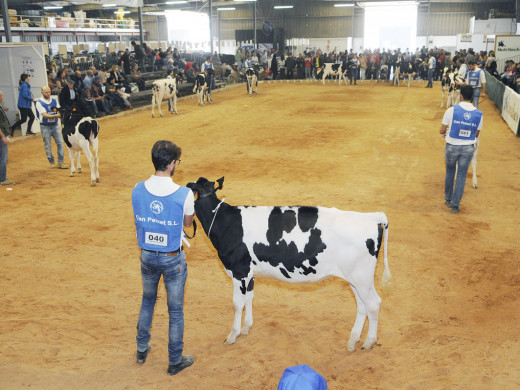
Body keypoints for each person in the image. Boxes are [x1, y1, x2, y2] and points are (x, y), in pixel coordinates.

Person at [132, 140, 195, 376]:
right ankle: (175, 360)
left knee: (147, 301)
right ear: (170, 164)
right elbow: (187, 223)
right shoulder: (184, 193)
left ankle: (141, 348)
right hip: (172, 258)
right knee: (175, 310)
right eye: (176, 161)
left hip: (146, 256)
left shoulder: (137, 188)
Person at [439, 85, 483, 214]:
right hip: (468, 148)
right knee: (462, 176)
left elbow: (442, 130)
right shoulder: (479, 113)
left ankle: (448, 198)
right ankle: (455, 205)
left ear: (461, 96)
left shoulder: (451, 110)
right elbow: (476, 134)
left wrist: (446, 133)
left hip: (452, 147)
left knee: (450, 172)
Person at [35, 86, 68, 169]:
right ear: (42, 92)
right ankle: (51, 161)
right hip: (45, 126)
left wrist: (60, 113)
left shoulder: (54, 100)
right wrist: (57, 115)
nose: (48, 94)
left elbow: (59, 109)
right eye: (46, 92)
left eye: (49, 92)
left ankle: (61, 162)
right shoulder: (39, 102)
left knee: (60, 143)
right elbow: (45, 115)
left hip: (55, 125)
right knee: (48, 145)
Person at [0, 90, 15, 186]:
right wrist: (3, 137)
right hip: (1, 137)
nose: (3, 96)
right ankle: (2, 179)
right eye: (1, 95)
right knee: (3, 158)